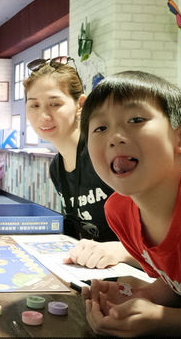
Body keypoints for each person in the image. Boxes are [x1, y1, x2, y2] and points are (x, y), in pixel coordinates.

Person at [80, 71, 181, 337]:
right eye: (100, 128)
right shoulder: (119, 212)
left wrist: (162, 318)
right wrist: (142, 295)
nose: (115, 137)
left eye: (136, 120)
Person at [23, 58, 135, 269]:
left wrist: (120, 250)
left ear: (80, 105)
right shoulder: (57, 167)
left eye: (55, 104)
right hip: (93, 271)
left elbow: (163, 235)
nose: (43, 116)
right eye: (34, 105)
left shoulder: (106, 152)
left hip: (135, 271)